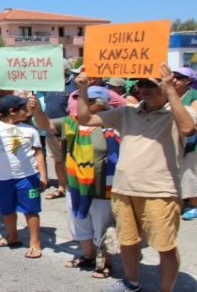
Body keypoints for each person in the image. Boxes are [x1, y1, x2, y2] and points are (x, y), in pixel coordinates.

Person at [76, 65, 197, 292]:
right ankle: (131, 283)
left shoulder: (181, 111)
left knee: (165, 246)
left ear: (164, 85)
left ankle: (166, 289)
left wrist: (171, 90)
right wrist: (84, 90)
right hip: (124, 189)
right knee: (128, 242)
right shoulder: (127, 112)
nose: (143, 88)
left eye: (150, 83)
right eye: (140, 84)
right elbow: (85, 119)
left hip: (160, 192)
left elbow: (188, 128)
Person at [33, 86, 120, 279]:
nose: (79, 103)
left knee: (103, 225)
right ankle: (88, 255)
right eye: (79, 98)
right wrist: (37, 109)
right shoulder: (71, 123)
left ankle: (105, 262)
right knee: (79, 223)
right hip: (76, 185)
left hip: (104, 188)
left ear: (101, 104)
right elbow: (45, 125)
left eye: (86, 100)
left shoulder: (115, 123)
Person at [0, 94, 48, 259]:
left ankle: (35, 243)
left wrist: (43, 175)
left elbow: (38, 153)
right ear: (12, 111)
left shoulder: (30, 129)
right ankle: (12, 236)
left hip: (28, 177)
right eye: (23, 107)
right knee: (6, 210)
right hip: (1, 178)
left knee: (31, 210)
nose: (27, 110)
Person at [42, 59, 77, 200]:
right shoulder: (49, 83)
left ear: (65, 70)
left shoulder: (74, 85)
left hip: (69, 130)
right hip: (51, 130)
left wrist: (66, 134)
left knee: (71, 160)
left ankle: (73, 188)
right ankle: (62, 187)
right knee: (57, 160)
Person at [169, 67, 197, 221]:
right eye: (173, 76)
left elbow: (193, 118)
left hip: (191, 142)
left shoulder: (193, 95)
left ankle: (193, 205)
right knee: (175, 173)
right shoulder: (167, 95)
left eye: (180, 77)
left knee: (189, 174)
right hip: (171, 139)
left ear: (188, 80)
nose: (175, 80)